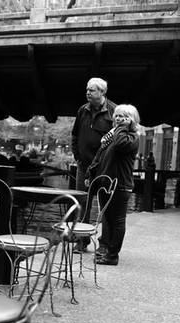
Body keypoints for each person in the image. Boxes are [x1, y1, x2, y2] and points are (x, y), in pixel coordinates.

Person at [86, 104, 140, 265]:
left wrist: (122, 127)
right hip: (105, 184)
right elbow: (100, 157)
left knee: (117, 221)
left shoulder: (131, 137)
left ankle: (112, 256)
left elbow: (119, 145)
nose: (119, 119)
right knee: (107, 219)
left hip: (120, 185)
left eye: (124, 116)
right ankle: (106, 249)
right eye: (117, 116)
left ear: (133, 120)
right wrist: (90, 173)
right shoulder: (111, 136)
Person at [71, 77, 116, 252]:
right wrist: (77, 156)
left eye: (92, 90)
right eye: (87, 90)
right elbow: (75, 135)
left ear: (102, 92)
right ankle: (82, 242)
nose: (87, 93)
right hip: (84, 166)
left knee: (106, 205)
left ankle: (104, 244)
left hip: (105, 168)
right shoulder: (83, 110)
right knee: (83, 203)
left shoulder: (113, 112)